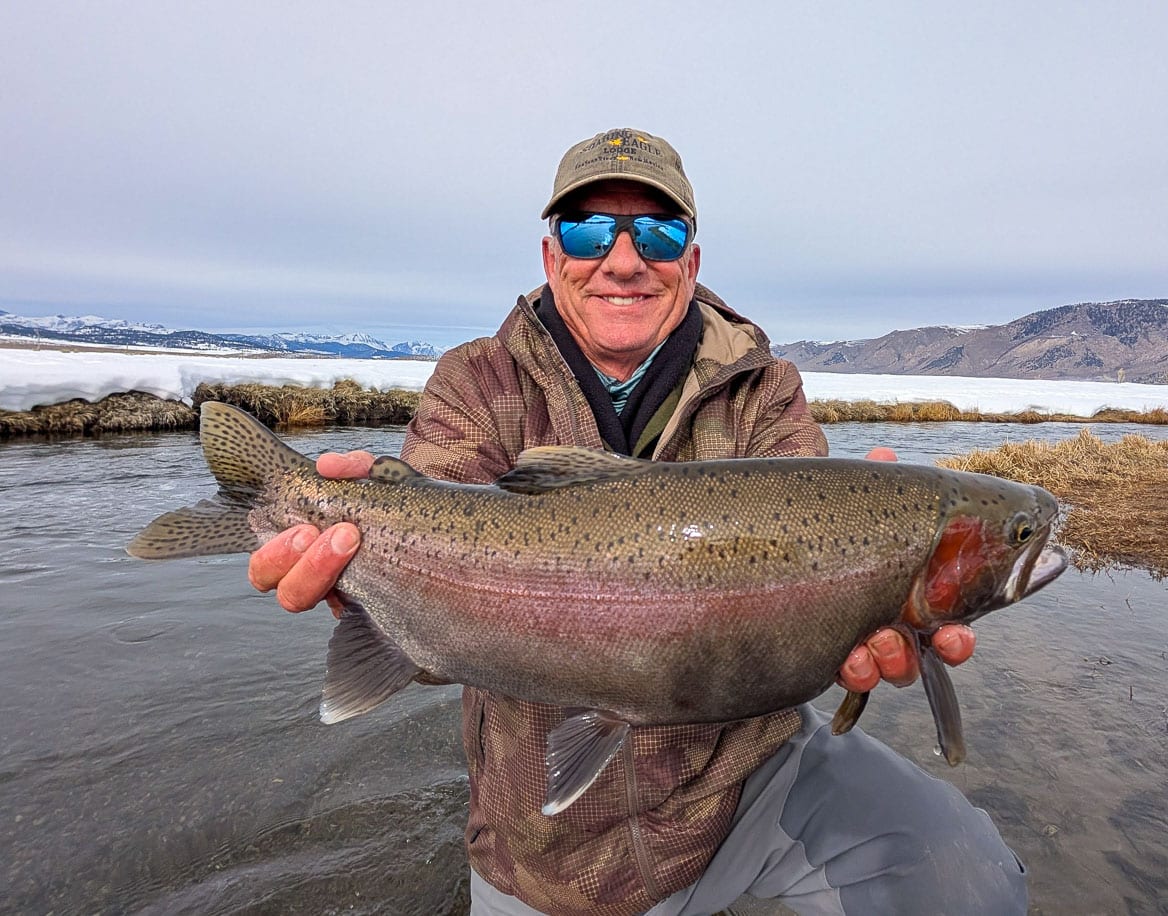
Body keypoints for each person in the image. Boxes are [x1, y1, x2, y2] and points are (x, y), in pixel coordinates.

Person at [248, 128, 1026, 915]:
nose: (625, 260)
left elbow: (831, 624)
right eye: (591, 231)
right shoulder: (475, 382)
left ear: (690, 263)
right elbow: (434, 631)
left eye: (657, 232)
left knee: (969, 877)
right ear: (553, 258)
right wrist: (360, 584)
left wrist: (873, 595)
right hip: (545, 850)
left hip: (741, 787)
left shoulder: (764, 388)